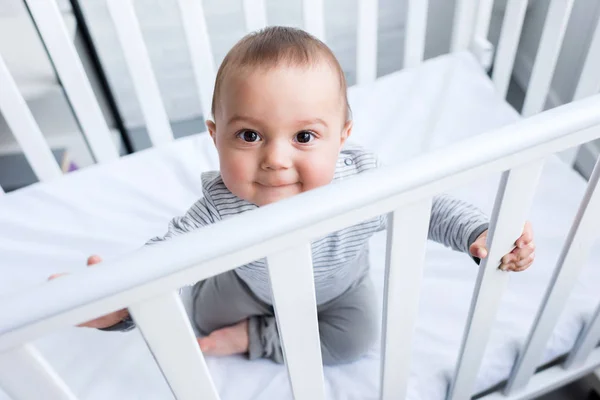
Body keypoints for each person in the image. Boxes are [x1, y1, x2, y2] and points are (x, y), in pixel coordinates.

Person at [50, 26, 535, 365]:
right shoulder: (222, 204)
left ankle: (255, 338)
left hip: (337, 290)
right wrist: (121, 301)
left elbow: (428, 207)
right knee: (198, 316)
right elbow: (166, 257)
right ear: (215, 136)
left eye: (304, 137)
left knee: (356, 339)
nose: (276, 160)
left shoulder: (363, 184)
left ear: (342, 137)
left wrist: (482, 231)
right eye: (249, 136)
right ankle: (239, 321)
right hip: (247, 285)